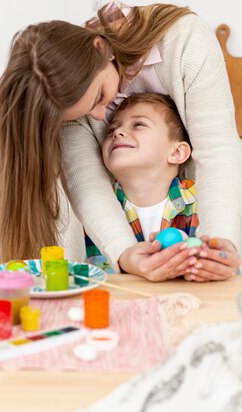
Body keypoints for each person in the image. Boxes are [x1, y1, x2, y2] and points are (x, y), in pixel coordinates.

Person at [0, 2, 242, 282]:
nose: (100, 117)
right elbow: (87, 181)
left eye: (98, 98)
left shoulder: (186, 41)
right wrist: (123, 253)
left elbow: (217, 150)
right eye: (85, 113)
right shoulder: (61, 88)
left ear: (100, 48)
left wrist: (220, 240)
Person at [85, 92, 200, 282]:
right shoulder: (95, 211)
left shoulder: (200, 203)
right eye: (111, 130)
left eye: (138, 124)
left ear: (177, 152)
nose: (117, 132)